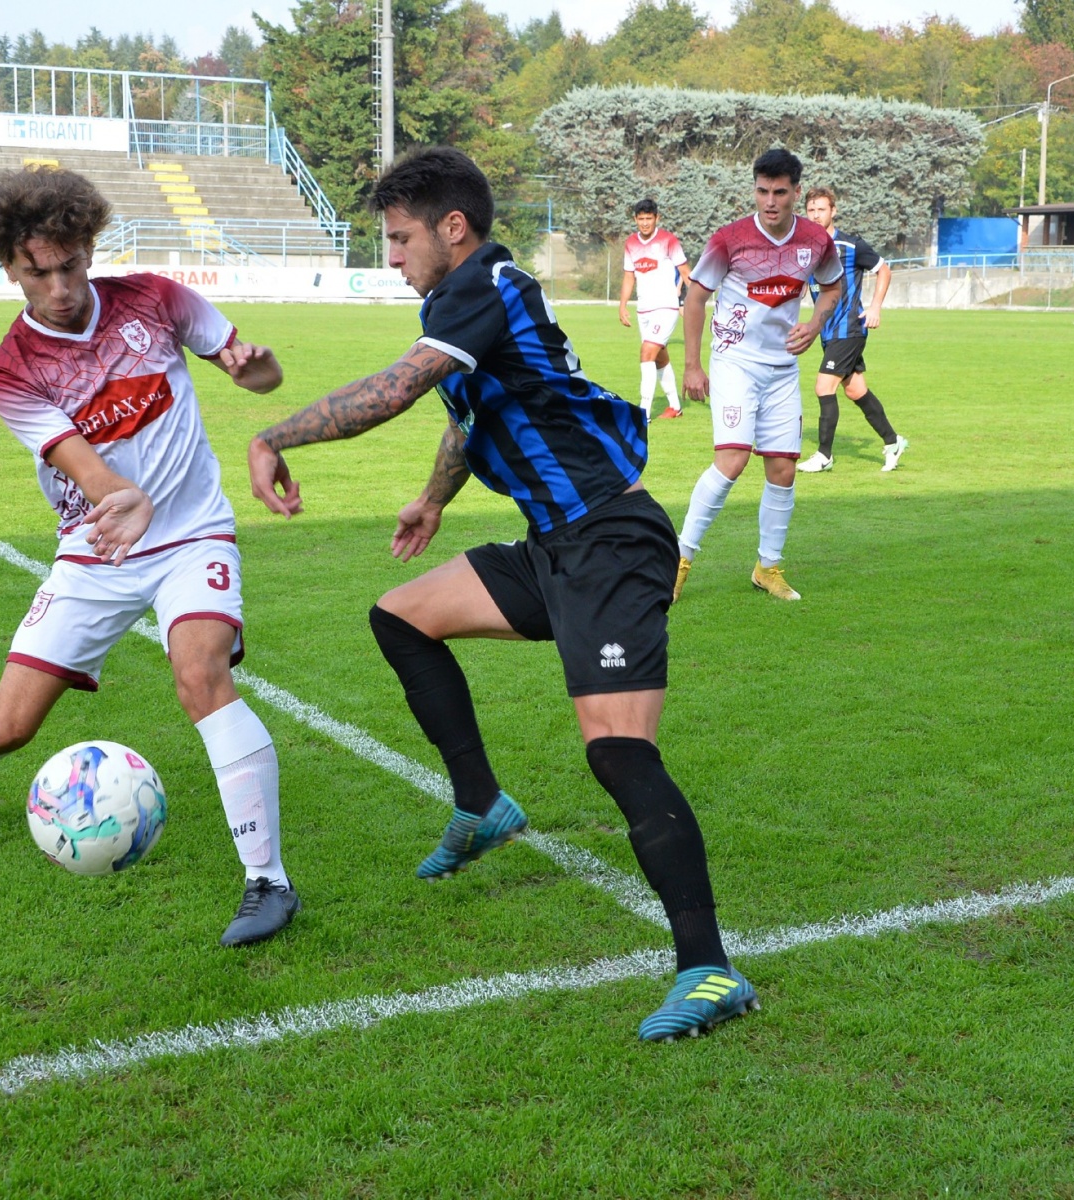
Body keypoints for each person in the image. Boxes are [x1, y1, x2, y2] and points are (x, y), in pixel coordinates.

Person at [247, 147, 758, 1043]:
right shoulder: (459, 299)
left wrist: (273, 434)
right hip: (553, 547)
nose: (393, 257)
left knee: (617, 754)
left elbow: (398, 388)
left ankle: (708, 967)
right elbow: (466, 413)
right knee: (400, 616)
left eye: (401, 239)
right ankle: (482, 805)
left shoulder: (487, 282)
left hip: (609, 541)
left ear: (454, 228)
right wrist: (431, 500)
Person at [0, 167, 299, 949]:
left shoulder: (157, 300)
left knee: (202, 675)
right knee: (9, 726)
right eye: (38, 272)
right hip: (95, 548)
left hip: (192, 534)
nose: (58, 287)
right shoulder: (11, 369)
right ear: (7, 268)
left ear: (89, 248)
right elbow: (76, 460)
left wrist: (252, 368)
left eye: (69, 265)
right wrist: (116, 493)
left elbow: (258, 373)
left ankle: (267, 883)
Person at [674, 149, 842, 604]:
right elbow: (695, 297)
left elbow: (833, 286)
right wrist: (692, 365)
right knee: (732, 460)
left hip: (783, 370)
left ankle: (767, 567)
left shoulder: (815, 240)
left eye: (780, 192)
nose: (770, 201)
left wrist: (816, 324)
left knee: (784, 468)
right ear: (755, 190)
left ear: (796, 193)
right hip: (735, 363)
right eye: (763, 191)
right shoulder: (730, 239)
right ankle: (679, 560)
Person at [796, 187, 908, 474]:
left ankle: (824, 455)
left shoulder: (850, 246)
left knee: (823, 387)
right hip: (827, 332)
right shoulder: (806, 248)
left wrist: (875, 307)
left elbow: (884, 269)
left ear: (833, 211)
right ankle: (893, 441)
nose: (815, 215)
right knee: (856, 390)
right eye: (811, 210)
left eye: (821, 209)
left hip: (849, 329)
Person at [617, 198, 689, 418]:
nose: (645, 223)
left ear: (657, 218)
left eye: (649, 218)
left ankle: (643, 413)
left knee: (647, 352)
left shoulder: (668, 240)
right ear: (635, 219)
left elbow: (686, 272)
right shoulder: (630, 243)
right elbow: (629, 277)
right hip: (644, 310)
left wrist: (693, 302)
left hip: (666, 307)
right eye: (641, 219)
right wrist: (622, 305)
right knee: (659, 357)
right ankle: (675, 407)